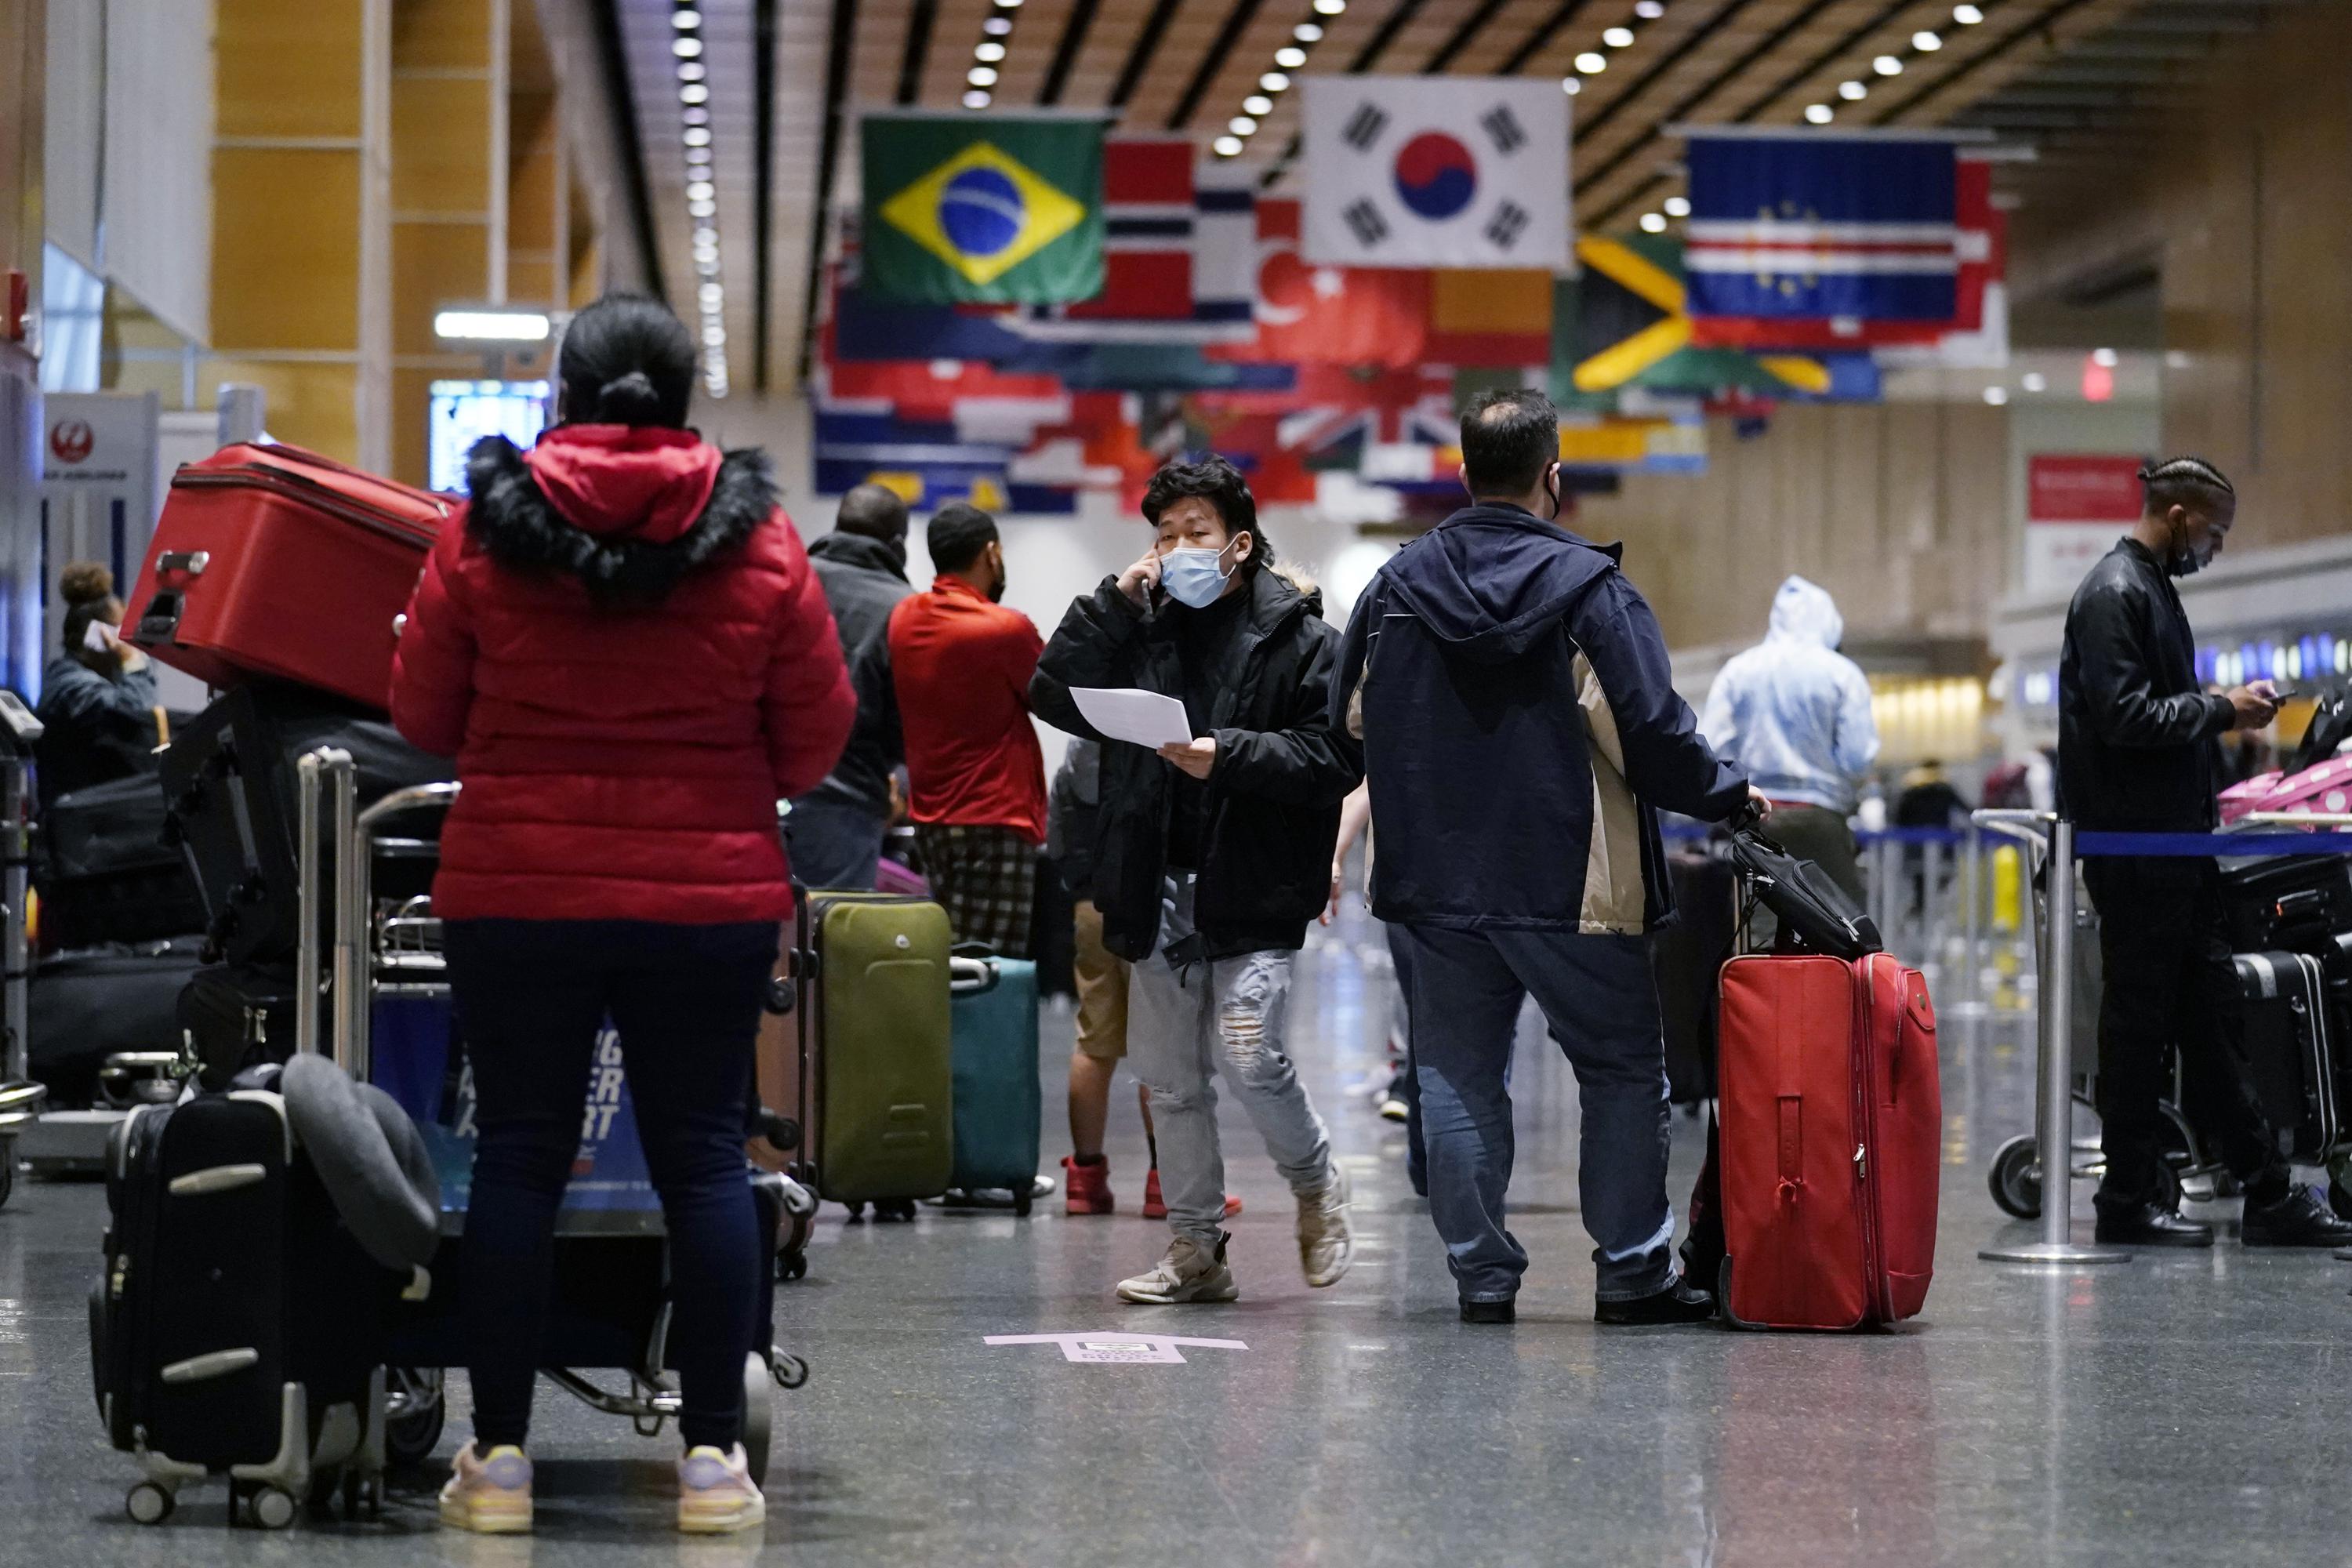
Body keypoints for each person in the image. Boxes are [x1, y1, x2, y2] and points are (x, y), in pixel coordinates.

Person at [390, 293, 855, 1534]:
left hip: (519, 893)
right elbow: (816, 741)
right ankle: (711, 1466)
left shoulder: (480, 531)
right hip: (704, 899)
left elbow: (424, 714)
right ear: (687, 395)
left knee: (519, 1158)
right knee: (705, 1159)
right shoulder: (761, 540)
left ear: (564, 395)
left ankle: (495, 1465)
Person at [1333, 388, 1763, 1327]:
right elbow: (1650, 734)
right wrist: (1730, 789)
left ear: (1462, 473)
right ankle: (1632, 1270)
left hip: (1434, 888)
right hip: (1573, 880)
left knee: (1451, 1073)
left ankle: (1482, 1276)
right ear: (1552, 476)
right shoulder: (1592, 593)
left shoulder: (1396, 587)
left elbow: (1352, 720)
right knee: (1616, 1069)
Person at [1032, 455, 1359, 1305]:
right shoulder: (1143, 630)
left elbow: (1336, 757)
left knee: (1251, 1052)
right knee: (1171, 1081)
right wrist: (1113, 601)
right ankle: (1196, 1248)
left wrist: (1231, 755)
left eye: (1195, 532)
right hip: (1156, 878)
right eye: (1164, 533)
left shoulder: (1305, 640)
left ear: (1239, 544)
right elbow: (1051, 691)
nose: (1176, 547)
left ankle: (1318, 1184)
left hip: (1250, 884)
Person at [2056, 455, 2352, 1250]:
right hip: (2139, 848)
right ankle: (2131, 1198)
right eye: (2215, 532)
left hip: (2170, 848)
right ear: (2181, 514)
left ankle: (2264, 1187)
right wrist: (2224, 708)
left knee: (2205, 1016)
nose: (2215, 548)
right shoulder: (2115, 593)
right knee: (2142, 1023)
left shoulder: (2147, 590)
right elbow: (2125, 715)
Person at [885, 503, 1047, 956]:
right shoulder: (1002, 629)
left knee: (950, 957)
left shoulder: (903, 620)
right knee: (992, 966)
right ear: (992, 553)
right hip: (995, 818)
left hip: (933, 817)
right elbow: (1052, 693)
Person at [1699, 575, 1877, 907]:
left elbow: (1710, 748)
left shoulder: (1739, 670)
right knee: (1839, 926)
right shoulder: (1843, 674)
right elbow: (1858, 757)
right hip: (1821, 820)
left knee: (1755, 926)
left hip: (1752, 817)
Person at [788, 483, 916, 890]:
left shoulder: (789, 581)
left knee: (765, 942)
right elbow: (905, 721)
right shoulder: (903, 607)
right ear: (898, 544)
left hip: (763, 793)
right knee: (832, 942)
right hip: (847, 804)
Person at [34, 563, 162, 807]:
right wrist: (132, 661)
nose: (129, 642)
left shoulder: (83, 683)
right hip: (73, 832)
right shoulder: (72, 688)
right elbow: (135, 718)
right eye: (122, 634)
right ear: (100, 636)